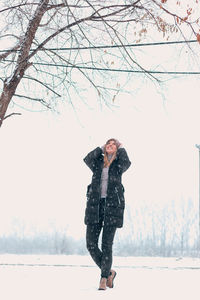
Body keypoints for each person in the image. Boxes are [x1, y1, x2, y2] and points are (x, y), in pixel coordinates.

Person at [83, 138, 131, 290]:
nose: (110, 146)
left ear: (117, 149)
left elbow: (127, 162)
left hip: (112, 207)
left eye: (113, 145)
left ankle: (103, 279)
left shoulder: (118, 165)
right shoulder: (97, 163)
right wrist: (100, 147)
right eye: (108, 144)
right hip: (95, 206)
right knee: (90, 244)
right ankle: (109, 272)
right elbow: (87, 158)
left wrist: (121, 148)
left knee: (106, 245)